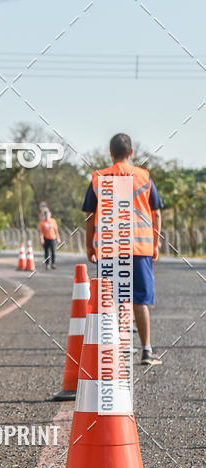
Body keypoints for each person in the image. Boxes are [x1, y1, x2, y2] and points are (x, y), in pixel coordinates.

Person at [83, 132, 163, 366]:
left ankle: (112, 353)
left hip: (109, 249)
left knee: (109, 300)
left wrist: (90, 245)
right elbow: (156, 213)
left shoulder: (98, 178)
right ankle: (146, 351)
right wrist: (156, 242)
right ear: (131, 152)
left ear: (111, 153)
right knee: (139, 300)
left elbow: (90, 216)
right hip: (139, 248)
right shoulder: (144, 176)